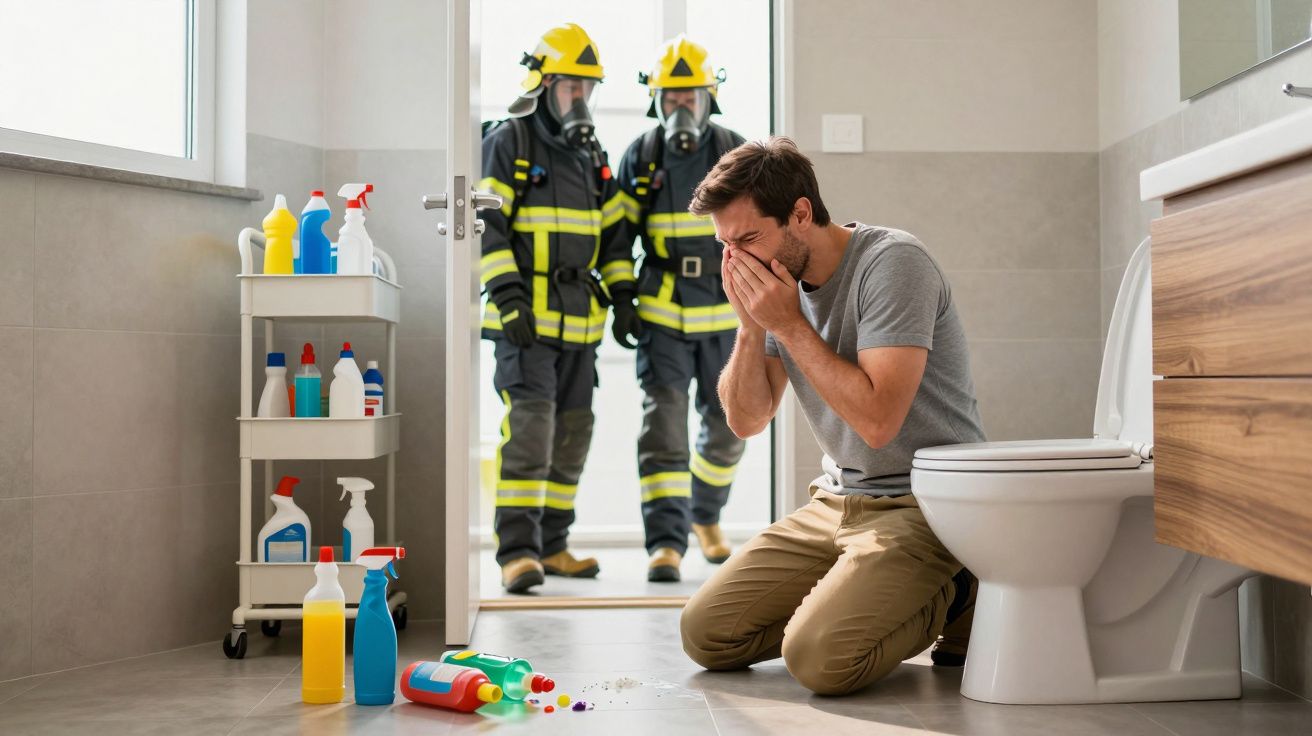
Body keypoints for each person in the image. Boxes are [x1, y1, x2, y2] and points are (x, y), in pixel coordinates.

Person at [678, 136, 986, 694]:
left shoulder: (893, 263)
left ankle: (962, 588)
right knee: (707, 636)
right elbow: (747, 421)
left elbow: (878, 423)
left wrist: (788, 324)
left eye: (748, 239)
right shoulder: (778, 288)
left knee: (820, 662)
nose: (738, 260)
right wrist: (751, 326)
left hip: (922, 504)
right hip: (837, 500)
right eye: (726, 245)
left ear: (800, 213)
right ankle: (857, 586)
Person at [479, 23, 634, 594]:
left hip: (580, 324)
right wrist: (507, 296)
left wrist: (624, 297)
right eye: (572, 86)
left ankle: (553, 545)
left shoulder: (591, 154)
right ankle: (517, 552)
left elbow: (614, 236)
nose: (581, 98)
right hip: (525, 323)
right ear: (543, 85)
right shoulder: (510, 142)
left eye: (588, 88)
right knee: (530, 433)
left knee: (573, 435)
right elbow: (486, 226)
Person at [610, 36, 747, 583]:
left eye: (691, 97)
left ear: (710, 97)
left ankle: (705, 517)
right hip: (663, 314)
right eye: (672, 97)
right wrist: (622, 296)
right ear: (656, 100)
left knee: (728, 426)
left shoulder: (736, 152)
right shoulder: (641, 154)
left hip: (725, 312)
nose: (682, 107)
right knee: (663, 430)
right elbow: (617, 235)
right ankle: (665, 544)